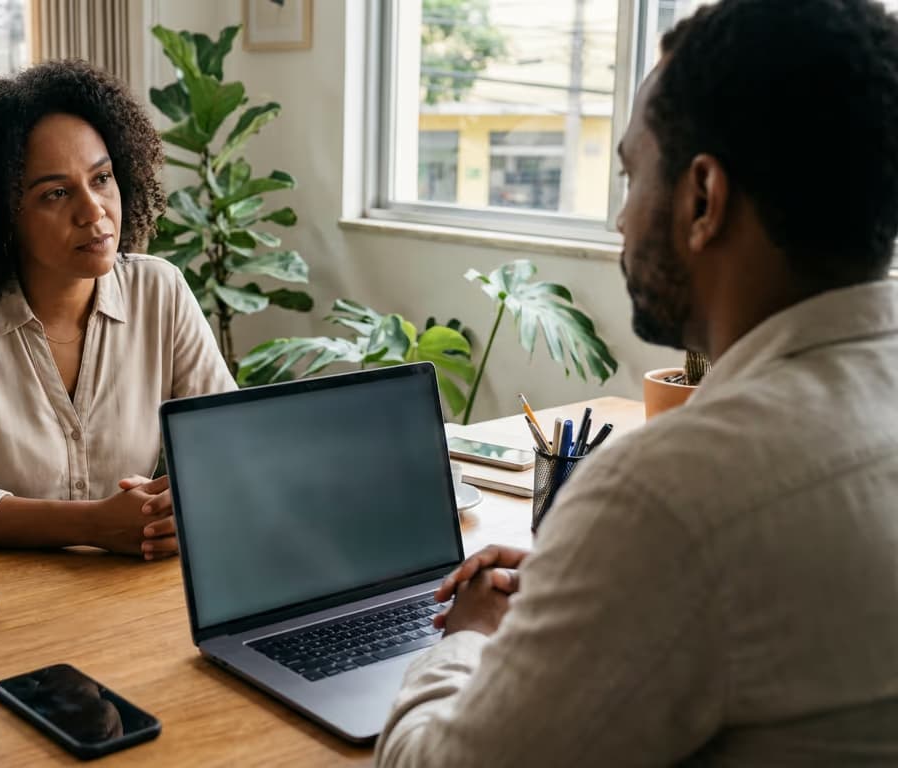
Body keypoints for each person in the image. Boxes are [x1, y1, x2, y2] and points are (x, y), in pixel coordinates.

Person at [377, 0, 898, 764]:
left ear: (703, 199)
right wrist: (595, 585)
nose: (621, 221)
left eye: (630, 175)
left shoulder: (668, 497)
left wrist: (469, 637)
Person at [0, 60, 235, 558]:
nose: (93, 211)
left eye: (102, 178)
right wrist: (92, 524)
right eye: (57, 193)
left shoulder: (160, 290)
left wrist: (177, 508)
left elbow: (227, 447)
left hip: (127, 584)